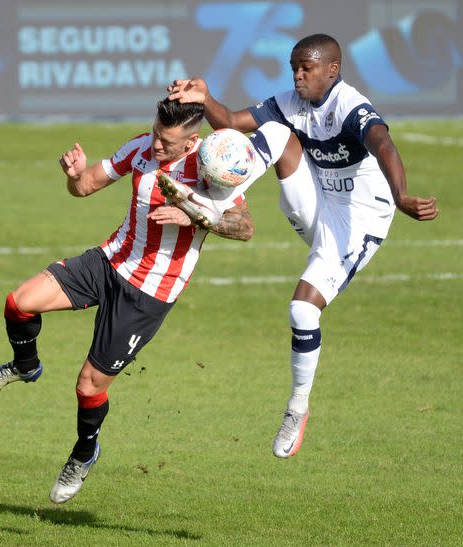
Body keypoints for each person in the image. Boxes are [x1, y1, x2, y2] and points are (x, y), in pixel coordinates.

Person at [0, 97, 295, 504]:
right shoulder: (142, 146)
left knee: (88, 385)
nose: (157, 145)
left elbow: (244, 227)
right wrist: (73, 176)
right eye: (156, 133)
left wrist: (194, 214)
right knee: (19, 302)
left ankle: (84, 453)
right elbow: (85, 185)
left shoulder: (212, 168)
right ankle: (24, 365)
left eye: (167, 141)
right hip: (109, 261)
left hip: (148, 294)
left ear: (191, 140)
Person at [166, 33, 439, 459]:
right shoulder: (292, 102)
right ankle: (214, 203)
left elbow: (383, 143)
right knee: (275, 132)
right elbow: (233, 123)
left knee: (301, 310)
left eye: (305, 69)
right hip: (316, 203)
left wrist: (402, 194)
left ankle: (296, 408)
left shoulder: (350, 106)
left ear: (332, 70)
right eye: (294, 67)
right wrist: (204, 98)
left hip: (358, 220)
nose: (297, 76)